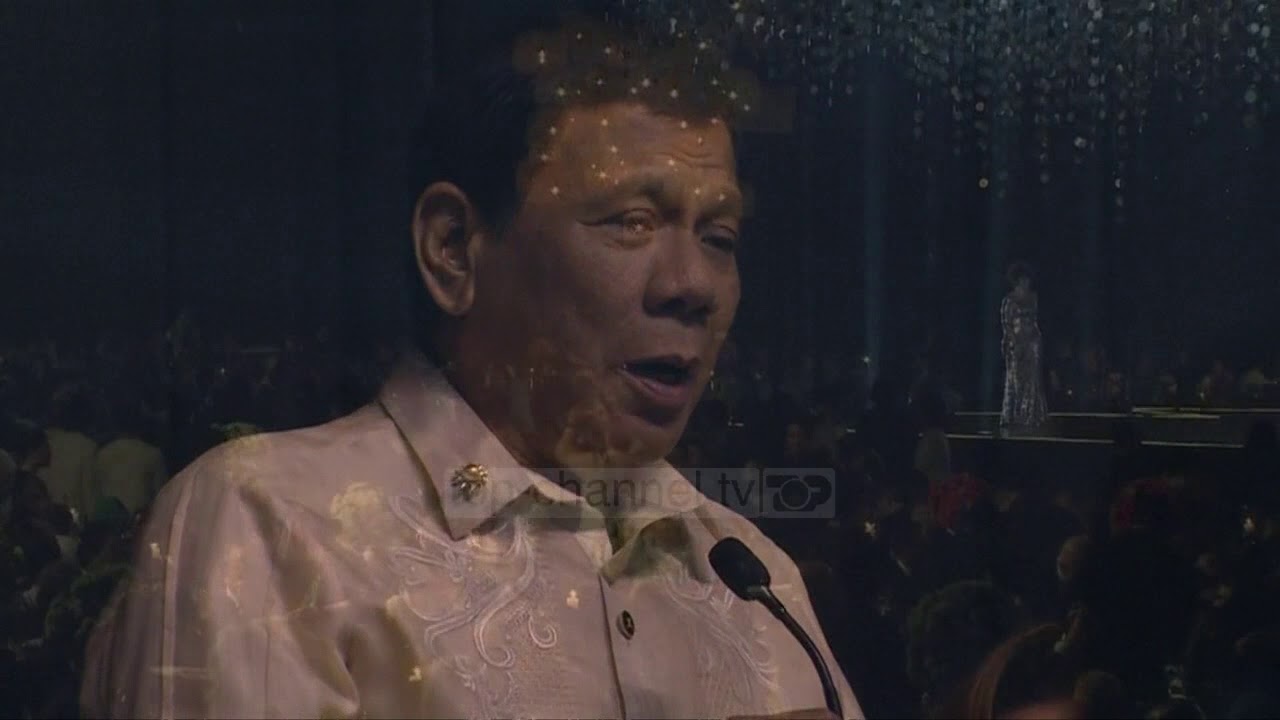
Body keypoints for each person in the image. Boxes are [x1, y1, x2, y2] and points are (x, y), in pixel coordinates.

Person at [81, 11, 860, 720]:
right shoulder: (275, 527)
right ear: (453, 249)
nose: (692, 285)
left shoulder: (754, 580)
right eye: (632, 222)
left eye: (720, 238)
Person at [999, 263, 1048, 432]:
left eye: (1028, 279)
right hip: (1016, 341)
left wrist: (1033, 338)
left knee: (1032, 377)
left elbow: (1034, 319)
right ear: (1017, 281)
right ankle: (1013, 415)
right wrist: (1014, 342)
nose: (1027, 282)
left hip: (1033, 340)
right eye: (1023, 279)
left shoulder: (1033, 297)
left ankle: (1029, 416)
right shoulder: (1009, 300)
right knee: (1015, 378)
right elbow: (1006, 324)